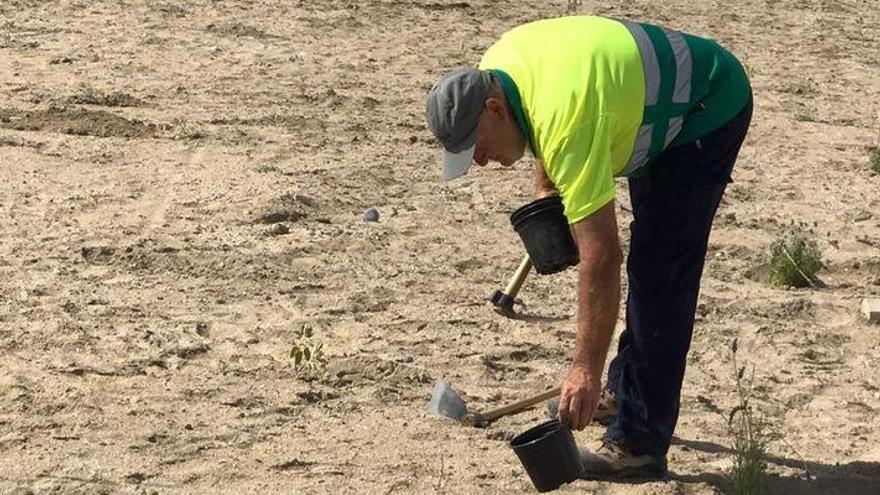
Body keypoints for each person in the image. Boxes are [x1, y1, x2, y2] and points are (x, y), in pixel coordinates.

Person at [425, 15, 752, 479]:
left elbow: (601, 258)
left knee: (661, 270)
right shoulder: (495, 69)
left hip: (705, 107)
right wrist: (545, 187)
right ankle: (625, 388)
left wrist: (584, 371)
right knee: (649, 261)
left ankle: (640, 444)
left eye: (475, 147)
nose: (477, 162)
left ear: (494, 110)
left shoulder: (568, 122)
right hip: (635, 99)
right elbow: (537, 116)